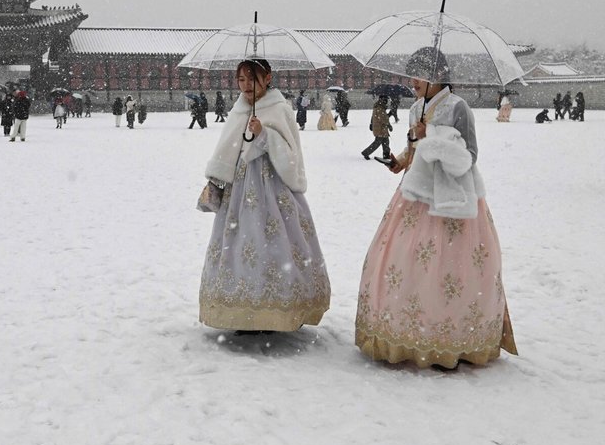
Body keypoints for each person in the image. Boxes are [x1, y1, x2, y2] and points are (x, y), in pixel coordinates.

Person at [355, 47, 517, 369]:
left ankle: (451, 337)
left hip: (452, 199)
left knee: (452, 266)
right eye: (412, 73)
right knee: (404, 262)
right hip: (413, 195)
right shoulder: (417, 107)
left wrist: (432, 138)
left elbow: (469, 157)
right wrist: (402, 160)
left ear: (438, 75)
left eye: (419, 74)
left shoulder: (459, 108)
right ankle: (405, 330)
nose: (413, 81)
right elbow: (414, 150)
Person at [199, 58, 330, 333]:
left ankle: (275, 311)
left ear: (268, 78)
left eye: (252, 79)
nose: (246, 85)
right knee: (241, 242)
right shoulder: (238, 109)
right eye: (241, 79)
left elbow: (290, 154)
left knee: (273, 243)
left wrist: (265, 135)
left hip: (272, 186)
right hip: (239, 188)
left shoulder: (279, 109)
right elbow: (227, 147)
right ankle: (243, 310)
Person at [361, 95, 393, 160]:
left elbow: (377, 117)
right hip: (380, 128)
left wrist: (371, 123)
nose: (386, 101)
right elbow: (383, 119)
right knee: (377, 142)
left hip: (381, 128)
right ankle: (366, 153)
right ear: (382, 100)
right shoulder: (379, 107)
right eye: (385, 99)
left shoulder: (380, 106)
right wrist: (389, 116)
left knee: (386, 142)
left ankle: (386, 155)